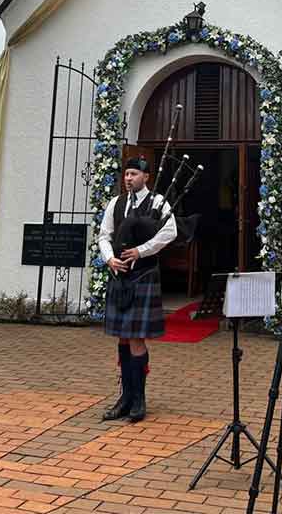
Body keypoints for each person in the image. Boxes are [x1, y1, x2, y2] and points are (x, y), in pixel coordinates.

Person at [98, 157, 177, 423]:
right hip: (120, 276)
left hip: (143, 275)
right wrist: (110, 258)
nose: (128, 178)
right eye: (126, 174)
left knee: (135, 338)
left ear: (146, 176)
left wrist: (140, 251)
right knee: (122, 337)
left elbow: (170, 233)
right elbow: (103, 235)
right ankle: (125, 398)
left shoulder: (158, 203)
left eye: (133, 174)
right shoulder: (115, 203)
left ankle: (139, 400)